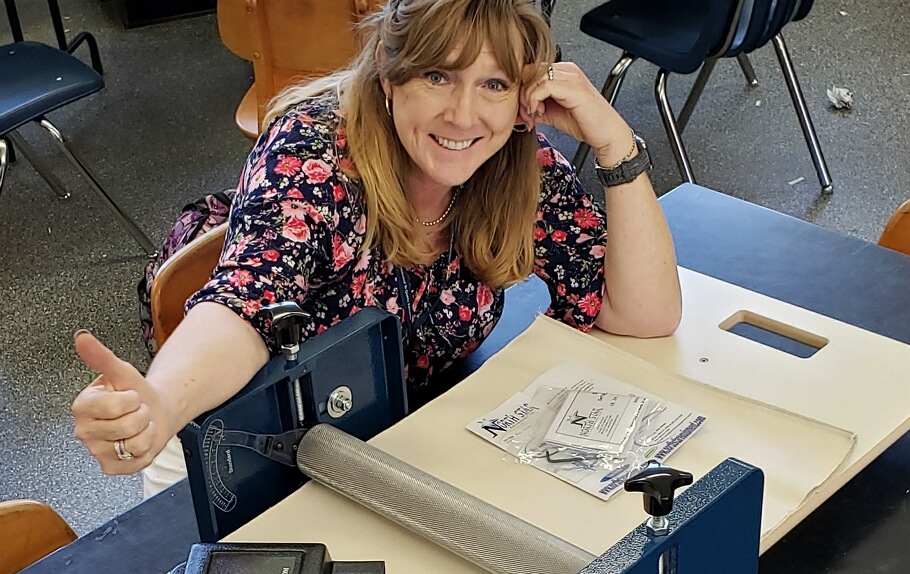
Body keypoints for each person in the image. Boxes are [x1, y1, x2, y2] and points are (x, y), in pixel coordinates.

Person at [72, 0, 681, 493]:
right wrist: (161, 404)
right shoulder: (314, 154)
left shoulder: (518, 164)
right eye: (438, 76)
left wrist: (615, 145)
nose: (464, 115)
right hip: (260, 437)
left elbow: (642, 316)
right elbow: (245, 309)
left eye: (494, 84)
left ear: (525, 100)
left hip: (389, 436)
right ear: (391, 76)